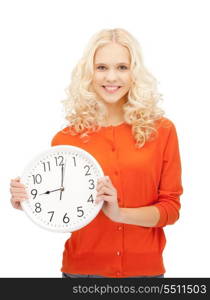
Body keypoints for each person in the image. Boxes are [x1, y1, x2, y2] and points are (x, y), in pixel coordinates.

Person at [10, 28, 183, 278]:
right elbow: (63, 208)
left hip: (145, 275)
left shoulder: (161, 131)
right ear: (89, 73)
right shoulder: (66, 139)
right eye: (101, 67)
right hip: (81, 274)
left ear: (134, 73)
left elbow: (171, 209)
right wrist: (29, 202)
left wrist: (119, 213)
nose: (111, 77)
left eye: (122, 67)